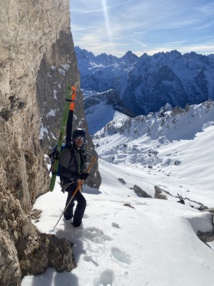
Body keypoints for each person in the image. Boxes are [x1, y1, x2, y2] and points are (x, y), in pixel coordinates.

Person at [59, 128, 89, 227]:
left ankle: (67, 216)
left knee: (71, 199)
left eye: (82, 138)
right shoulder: (68, 152)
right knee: (82, 202)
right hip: (67, 182)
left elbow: (79, 167)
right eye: (77, 138)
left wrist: (82, 175)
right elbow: (62, 171)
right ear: (73, 139)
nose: (80, 140)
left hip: (74, 181)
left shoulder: (81, 152)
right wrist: (79, 176)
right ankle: (76, 225)